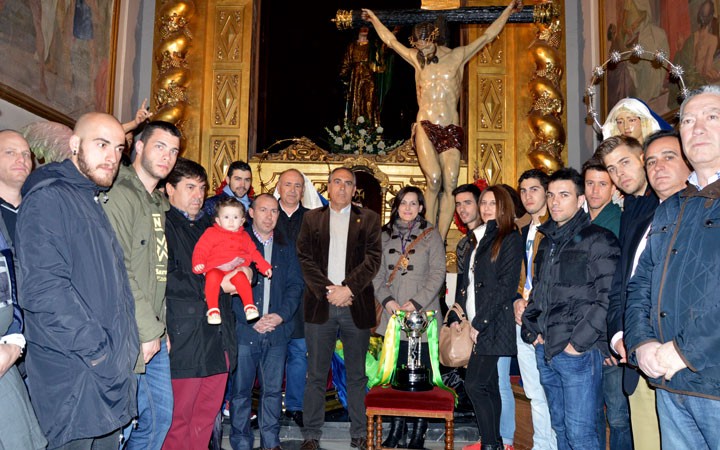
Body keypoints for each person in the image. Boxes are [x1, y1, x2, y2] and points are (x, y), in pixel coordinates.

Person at [16, 112, 138, 449]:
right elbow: (43, 291)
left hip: (101, 379)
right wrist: (99, 352)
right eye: (101, 145)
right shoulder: (49, 198)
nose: (112, 157)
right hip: (74, 376)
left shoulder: (87, 198)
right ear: (74, 145)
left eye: (118, 148)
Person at [362, 0, 523, 240]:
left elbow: (488, 36)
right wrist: (374, 19)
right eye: (419, 46)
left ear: (434, 39)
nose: (423, 51)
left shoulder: (457, 56)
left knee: (450, 182)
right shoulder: (417, 58)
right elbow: (391, 42)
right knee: (434, 179)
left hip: (450, 125)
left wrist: (508, 10)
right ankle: (425, 234)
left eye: (426, 46)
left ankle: (439, 237)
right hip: (426, 124)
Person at [625, 85, 720, 448]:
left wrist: (682, 352)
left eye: (711, 117)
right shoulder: (670, 207)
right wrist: (642, 342)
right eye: (688, 121)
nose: (697, 128)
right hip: (670, 382)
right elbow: (640, 285)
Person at [521, 167, 620, 450]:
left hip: (578, 354)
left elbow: (607, 297)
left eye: (563, 195)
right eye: (551, 195)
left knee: (582, 435)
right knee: (560, 429)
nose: (554, 202)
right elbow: (539, 292)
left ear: (580, 201)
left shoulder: (599, 239)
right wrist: (532, 330)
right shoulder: (547, 241)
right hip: (546, 348)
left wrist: (577, 344)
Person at [103, 120, 180, 450]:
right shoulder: (122, 194)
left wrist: (161, 329)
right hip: (130, 330)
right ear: (138, 147)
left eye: (174, 151)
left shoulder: (155, 202)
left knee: (158, 419)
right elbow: (119, 268)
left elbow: (156, 272)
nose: (168, 157)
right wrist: (150, 330)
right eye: (160, 147)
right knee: (130, 423)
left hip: (151, 331)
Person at [296, 167, 382, 450]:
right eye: (337, 182)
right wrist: (328, 290)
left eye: (348, 183)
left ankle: (359, 432)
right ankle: (311, 434)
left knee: (357, 375)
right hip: (321, 306)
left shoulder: (368, 218)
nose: (342, 188)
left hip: (354, 305)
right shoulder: (311, 218)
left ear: (354, 188)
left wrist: (348, 289)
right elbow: (305, 259)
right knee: (317, 374)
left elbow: (372, 259)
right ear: (328, 186)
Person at [162, 158, 240, 450]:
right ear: (170, 189)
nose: (198, 195)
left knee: (206, 417)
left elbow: (242, 256)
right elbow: (166, 278)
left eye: (202, 188)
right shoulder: (162, 225)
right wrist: (217, 280)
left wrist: (246, 271)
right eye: (190, 187)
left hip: (218, 339)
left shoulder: (212, 225)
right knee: (178, 418)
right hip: (185, 337)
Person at [596, 134, 661, 450]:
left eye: (624, 162)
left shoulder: (664, 202)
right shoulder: (633, 206)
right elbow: (622, 278)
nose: (619, 173)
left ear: (642, 158)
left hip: (658, 341)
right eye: (612, 168)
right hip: (631, 341)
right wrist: (617, 332)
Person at [372, 186, 446, 449]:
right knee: (395, 376)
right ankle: (397, 428)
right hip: (393, 317)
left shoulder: (431, 234)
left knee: (421, 377)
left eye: (414, 204)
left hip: (422, 317)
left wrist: (416, 303)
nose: (408, 208)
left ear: (421, 208)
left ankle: (418, 432)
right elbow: (377, 275)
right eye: (403, 203)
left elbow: (438, 273)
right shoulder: (383, 235)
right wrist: (388, 301)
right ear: (397, 206)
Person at [230, 193, 304, 450]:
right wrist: (252, 319)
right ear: (251, 213)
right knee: (240, 392)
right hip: (244, 330)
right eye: (263, 210)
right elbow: (225, 287)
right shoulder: (236, 243)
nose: (269, 216)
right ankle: (241, 442)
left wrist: (281, 316)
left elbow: (296, 285)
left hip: (277, 331)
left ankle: (271, 442)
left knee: (272, 392)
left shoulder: (287, 245)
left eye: (274, 211)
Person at [451, 186, 522, 450]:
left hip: (493, 324)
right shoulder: (476, 236)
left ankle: (492, 444)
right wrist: (458, 314)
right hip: (475, 322)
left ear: (504, 206)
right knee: (489, 386)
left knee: (476, 385)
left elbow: (506, 286)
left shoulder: (509, 236)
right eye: (484, 203)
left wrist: (480, 323)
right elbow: (467, 283)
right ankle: (493, 443)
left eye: (493, 203)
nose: (487, 208)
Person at [0, 130, 46, 449]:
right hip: (9, 339)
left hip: (45, 342)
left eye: (26, 153)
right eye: (10, 153)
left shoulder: (44, 210)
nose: (21, 159)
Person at [582, 157, 630, 450]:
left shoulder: (620, 220)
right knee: (589, 415)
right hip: (581, 334)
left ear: (614, 187)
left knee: (618, 415)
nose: (595, 190)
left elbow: (618, 284)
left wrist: (609, 337)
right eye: (590, 183)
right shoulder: (579, 219)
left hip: (608, 332)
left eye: (602, 183)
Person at [513, 169, 556, 450]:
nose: (528, 196)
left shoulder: (557, 227)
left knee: (550, 389)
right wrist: (517, 299)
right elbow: (519, 276)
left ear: (546, 191)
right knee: (533, 390)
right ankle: (542, 444)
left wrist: (534, 304)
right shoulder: (521, 228)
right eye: (524, 191)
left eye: (534, 189)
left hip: (546, 319)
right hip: (521, 316)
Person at [192, 197, 273, 323]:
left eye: (235, 218)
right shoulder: (211, 232)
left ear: (242, 221)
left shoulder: (244, 236)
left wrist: (264, 266)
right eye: (226, 217)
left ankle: (249, 306)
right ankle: (213, 309)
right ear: (218, 220)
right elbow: (201, 248)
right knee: (212, 278)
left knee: (241, 277)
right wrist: (199, 262)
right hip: (216, 268)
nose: (231, 221)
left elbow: (254, 253)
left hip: (235, 270)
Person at [276, 169, 309, 427]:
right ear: (279, 186)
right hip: (270, 296)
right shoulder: (266, 212)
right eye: (288, 184)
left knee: (299, 353)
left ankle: (296, 406)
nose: (292, 190)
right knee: (272, 354)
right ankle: (270, 405)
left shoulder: (313, 219)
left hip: (302, 299)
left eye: (298, 185)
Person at [340, 26, 381, 126]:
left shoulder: (373, 46)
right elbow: (346, 63)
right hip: (355, 77)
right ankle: (355, 127)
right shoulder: (352, 46)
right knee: (356, 101)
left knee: (369, 101)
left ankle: (370, 127)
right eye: (361, 26)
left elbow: (381, 57)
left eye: (366, 27)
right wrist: (343, 76)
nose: (364, 29)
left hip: (369, 76)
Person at [602, 98, 671, 145]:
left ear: (644, 122)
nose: (626, 127)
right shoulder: (615, 155)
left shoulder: (655, 151)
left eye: (631, 120)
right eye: (620, 122)